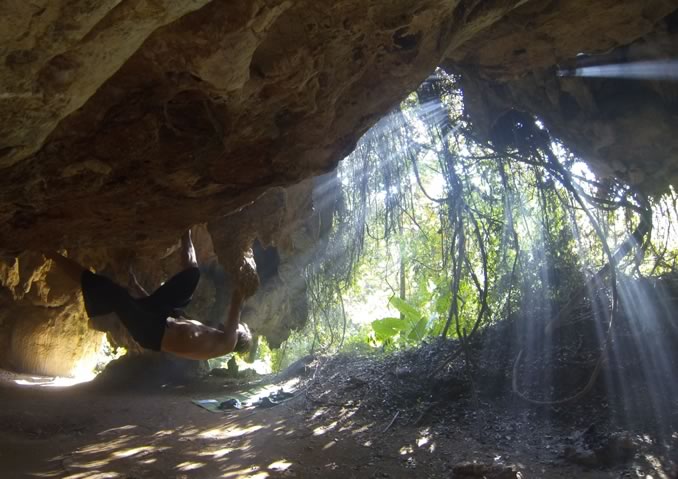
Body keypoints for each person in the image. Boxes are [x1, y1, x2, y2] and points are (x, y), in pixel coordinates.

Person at [44, 231, 252, 360]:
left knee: (106, 289)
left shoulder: (227, 343)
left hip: (152, 333)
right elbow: (154, 308)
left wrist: (244, 272)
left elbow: (237, 303)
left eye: (241, 327)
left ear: (240, 336)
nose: (238, 325)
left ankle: (50, 253)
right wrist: (137, 287)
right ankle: (185, 230)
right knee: (192, 275)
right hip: (160, 320)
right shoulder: (212, 337)